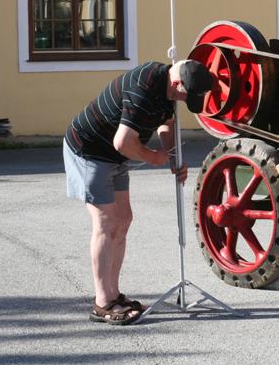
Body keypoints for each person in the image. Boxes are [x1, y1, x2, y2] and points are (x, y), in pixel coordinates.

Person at [63, 59, 213, 325]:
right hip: (89, 151)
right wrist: (153, 158)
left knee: (123, 219)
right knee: (106, 223)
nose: (183, 101)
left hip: (115, 156)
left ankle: (114, 294)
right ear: (177, 83)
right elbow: (122, 142)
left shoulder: (168, 88)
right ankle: (102, 303)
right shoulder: (143, 88)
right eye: (185, 96)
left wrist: (173, 156)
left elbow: (166, 122)